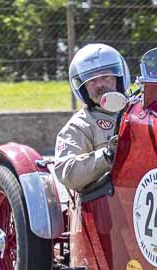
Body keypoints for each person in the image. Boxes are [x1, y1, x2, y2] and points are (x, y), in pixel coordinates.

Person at [54, 43, 130, 191]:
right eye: (91, 80)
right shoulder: (79, 125)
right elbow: (68, 174)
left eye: (106, 76)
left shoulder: (140, 112)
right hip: (109, 203)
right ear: (82, 88)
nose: (100, 85)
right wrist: (107, 155)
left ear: (119, 78)